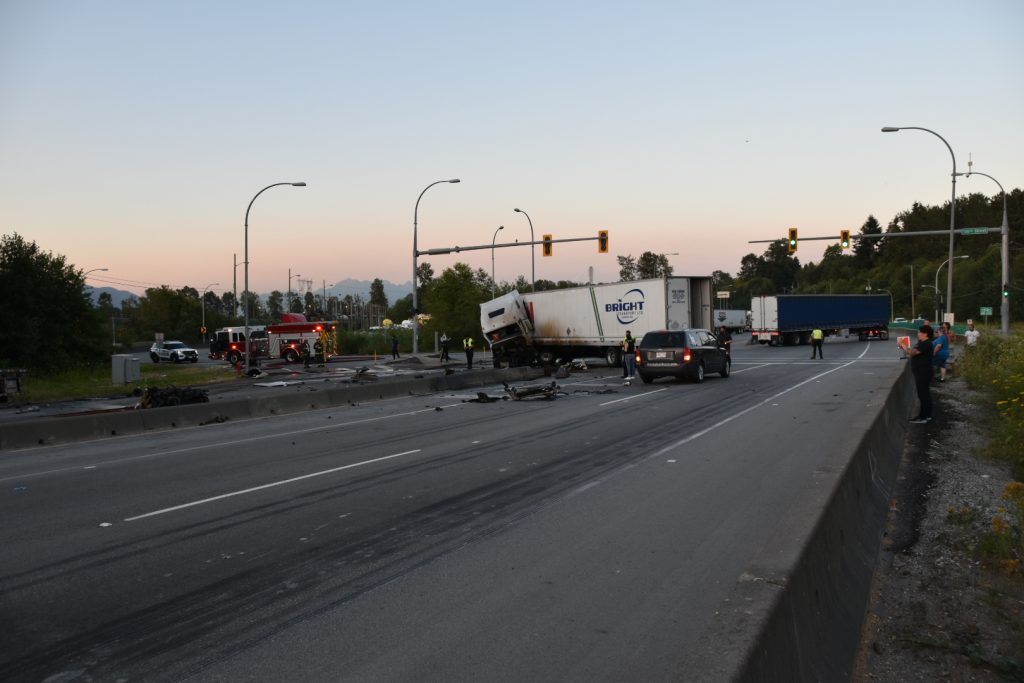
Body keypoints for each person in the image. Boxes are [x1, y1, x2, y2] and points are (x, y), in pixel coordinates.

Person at [901, 324, 934, 423]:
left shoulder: (926, 343)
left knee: (923, 394)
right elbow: (913, 351)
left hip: (923, 372)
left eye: (919, 332)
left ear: (925, 334)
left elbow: (912, 353)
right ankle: (926, 415)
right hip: (922, 372)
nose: (918, 334)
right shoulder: (922, 343)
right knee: (924, 394)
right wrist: (905, 347)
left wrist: (903, 345)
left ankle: (923, 417)